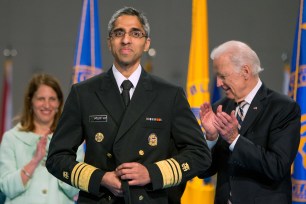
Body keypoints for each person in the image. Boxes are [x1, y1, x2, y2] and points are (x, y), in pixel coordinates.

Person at [46, 6, 211, 204]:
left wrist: (152, 173)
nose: (126, 40)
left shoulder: (169, 95)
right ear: (109, 42)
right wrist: (101, 179)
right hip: (100, 198)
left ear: (146, 42)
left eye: (135, 33)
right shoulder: (83, 93)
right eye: (118, 33)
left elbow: (200, 155)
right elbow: (56, 158)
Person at [199, 40, 301, 204]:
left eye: (223, 76)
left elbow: (276, 167)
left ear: (245, 71)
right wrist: (211, 138)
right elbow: (204, 172)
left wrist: (234, 139)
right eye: (217, 76)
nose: (218, 83)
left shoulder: (283, 108)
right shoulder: (220, 108)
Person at [0, 74, 81, 204]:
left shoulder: (73, 139)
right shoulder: (11, 138)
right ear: (30, 101)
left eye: (52, 99)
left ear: (59, 102)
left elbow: (75, 190)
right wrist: (35, 161)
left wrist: (61, 161)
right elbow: (7, 188)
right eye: (41, 99)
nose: (47, 105)